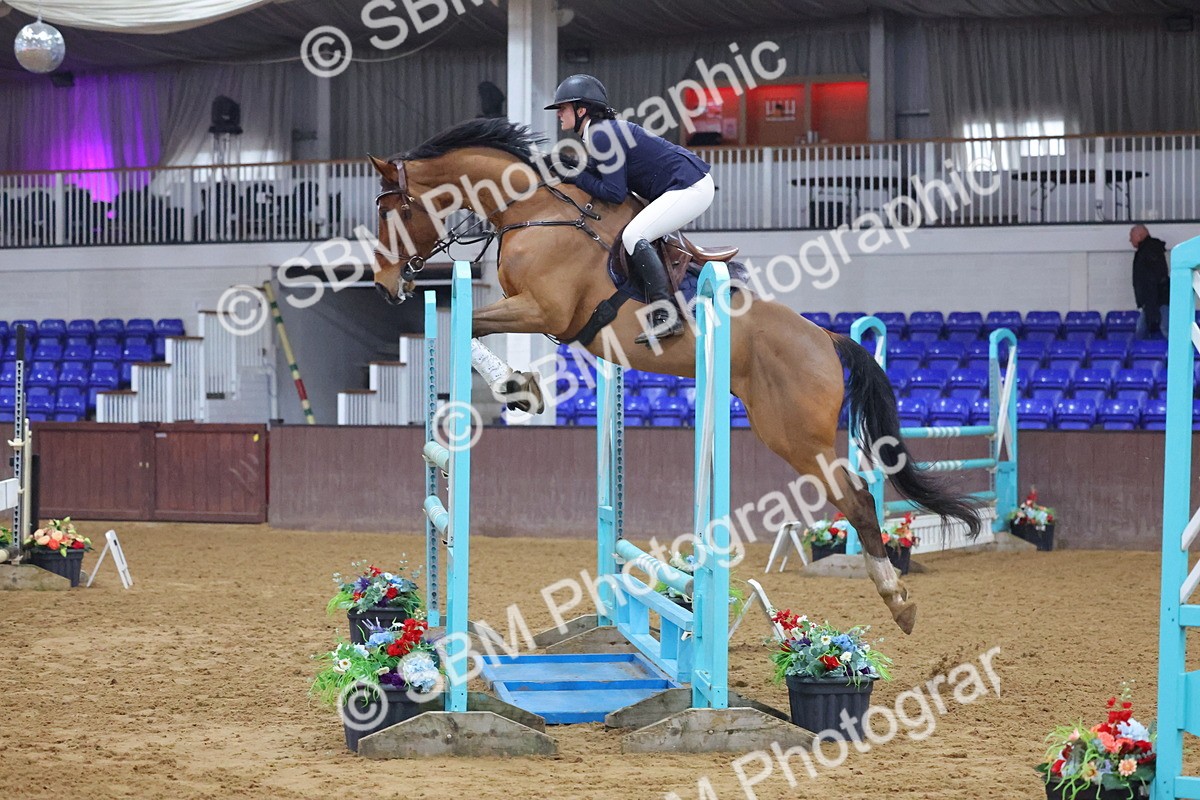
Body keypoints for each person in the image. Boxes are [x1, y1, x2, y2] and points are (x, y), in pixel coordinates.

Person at [545, 74, 715, 346]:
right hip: (682, 184)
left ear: (581, 110)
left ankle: (666, 314)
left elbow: (614, 192)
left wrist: (574, 176)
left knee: (634, 235)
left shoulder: (601, 135)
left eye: (562, 108)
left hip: (689, 186)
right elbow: (600, 175)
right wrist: (569, 166)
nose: (558, 114)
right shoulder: (600, 132)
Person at [1130, 224, 1170, 339]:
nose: (1130, 240)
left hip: (1156, 299)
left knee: (1164, 328)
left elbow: (1151, 279)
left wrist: (1150, 301)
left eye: (1131, 236)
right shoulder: (1152, 250)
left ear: (1139, 236)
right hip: (1153, 299)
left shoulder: (1146, 252)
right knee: (1143, 329)